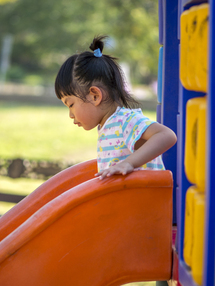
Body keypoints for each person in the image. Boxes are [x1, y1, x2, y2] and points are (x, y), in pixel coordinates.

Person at [55, 35, 177, 180]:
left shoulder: (124, 121)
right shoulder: (107, 126)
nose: (70, 114)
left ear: (95, 96)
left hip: (147, 201)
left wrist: (128, 163)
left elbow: (167, 136)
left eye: (71, 105)